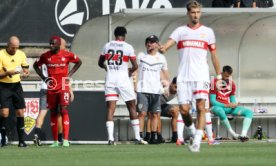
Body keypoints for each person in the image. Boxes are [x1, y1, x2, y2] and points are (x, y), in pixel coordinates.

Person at [160, 0, 221, 152]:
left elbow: (214, 55)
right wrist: (163, 49)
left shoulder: (207, 32)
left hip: (201, 76)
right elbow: (169, 44)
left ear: (200, 13)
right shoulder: (180, 31)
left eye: (198, 12)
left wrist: (219, 76)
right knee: (184, 110)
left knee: (201, 107)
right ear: (188, 13)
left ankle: (197, 142)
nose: (195, 15)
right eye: (192, 12)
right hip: (184, 77)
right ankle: (193, 132)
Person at [98, 26, 147, 145]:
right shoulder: (128, 47)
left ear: (115, 35)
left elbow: (100, 62)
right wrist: (129, 71)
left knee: (110, 108)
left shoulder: (107, 45)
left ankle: (110, 139)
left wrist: (106, 67)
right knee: (131, 107)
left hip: (110, 80)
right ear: (124, 35)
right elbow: (135, 66)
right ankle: (137, 137)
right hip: (123, 80)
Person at [33, 36, 82, 147]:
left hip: (63, 84)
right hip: (52, 86)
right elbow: (35, 66)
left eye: (53, 44)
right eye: (50, 43)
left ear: (59, 44)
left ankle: (65, 140)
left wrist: (69, 75)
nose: (51, 45)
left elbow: (79, 62)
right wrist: (44, 78)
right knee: (53, 112)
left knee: (64, 110)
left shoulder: (67, 55)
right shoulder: (46, 56)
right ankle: (55, 141)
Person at [135, 35, 170, 144]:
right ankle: (139, 136)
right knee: (142, 113)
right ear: (146, 44)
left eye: (153, 42)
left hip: (155, 90)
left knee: (154, 114)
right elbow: (135, 71)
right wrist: (134, 85)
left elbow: (165, 74)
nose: (150, 44)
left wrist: (166, 86)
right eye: (148, 42)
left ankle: (154, 136)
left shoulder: (161, 58)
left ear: (157, 44)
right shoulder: (141, 56)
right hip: (142, 89)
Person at [0, 36, 30, 147]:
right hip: (3, 86)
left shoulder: (21, 54)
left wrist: (25, 74)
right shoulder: (1, 54)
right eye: (13, 48)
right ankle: (3, 139)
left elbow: (26, 70)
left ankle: (21, 141)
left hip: (16, 86)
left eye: (17, 48)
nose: (15, 50)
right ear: (8, 45)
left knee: (20, 112)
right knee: (4, 113)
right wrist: (8, 73)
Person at [210, 65, 253, 142]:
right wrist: (226, 105)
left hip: (228, 107)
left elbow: (232, 99)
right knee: (220, 111)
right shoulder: (213, 82)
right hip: (216, 107)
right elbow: (212, 101)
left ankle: (243, 135)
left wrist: (234, 104)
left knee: (249, 112)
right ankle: (234, 134)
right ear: (221, 73)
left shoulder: (232, 84)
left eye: (229, 76)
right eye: (226, 76)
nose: (227, 78)